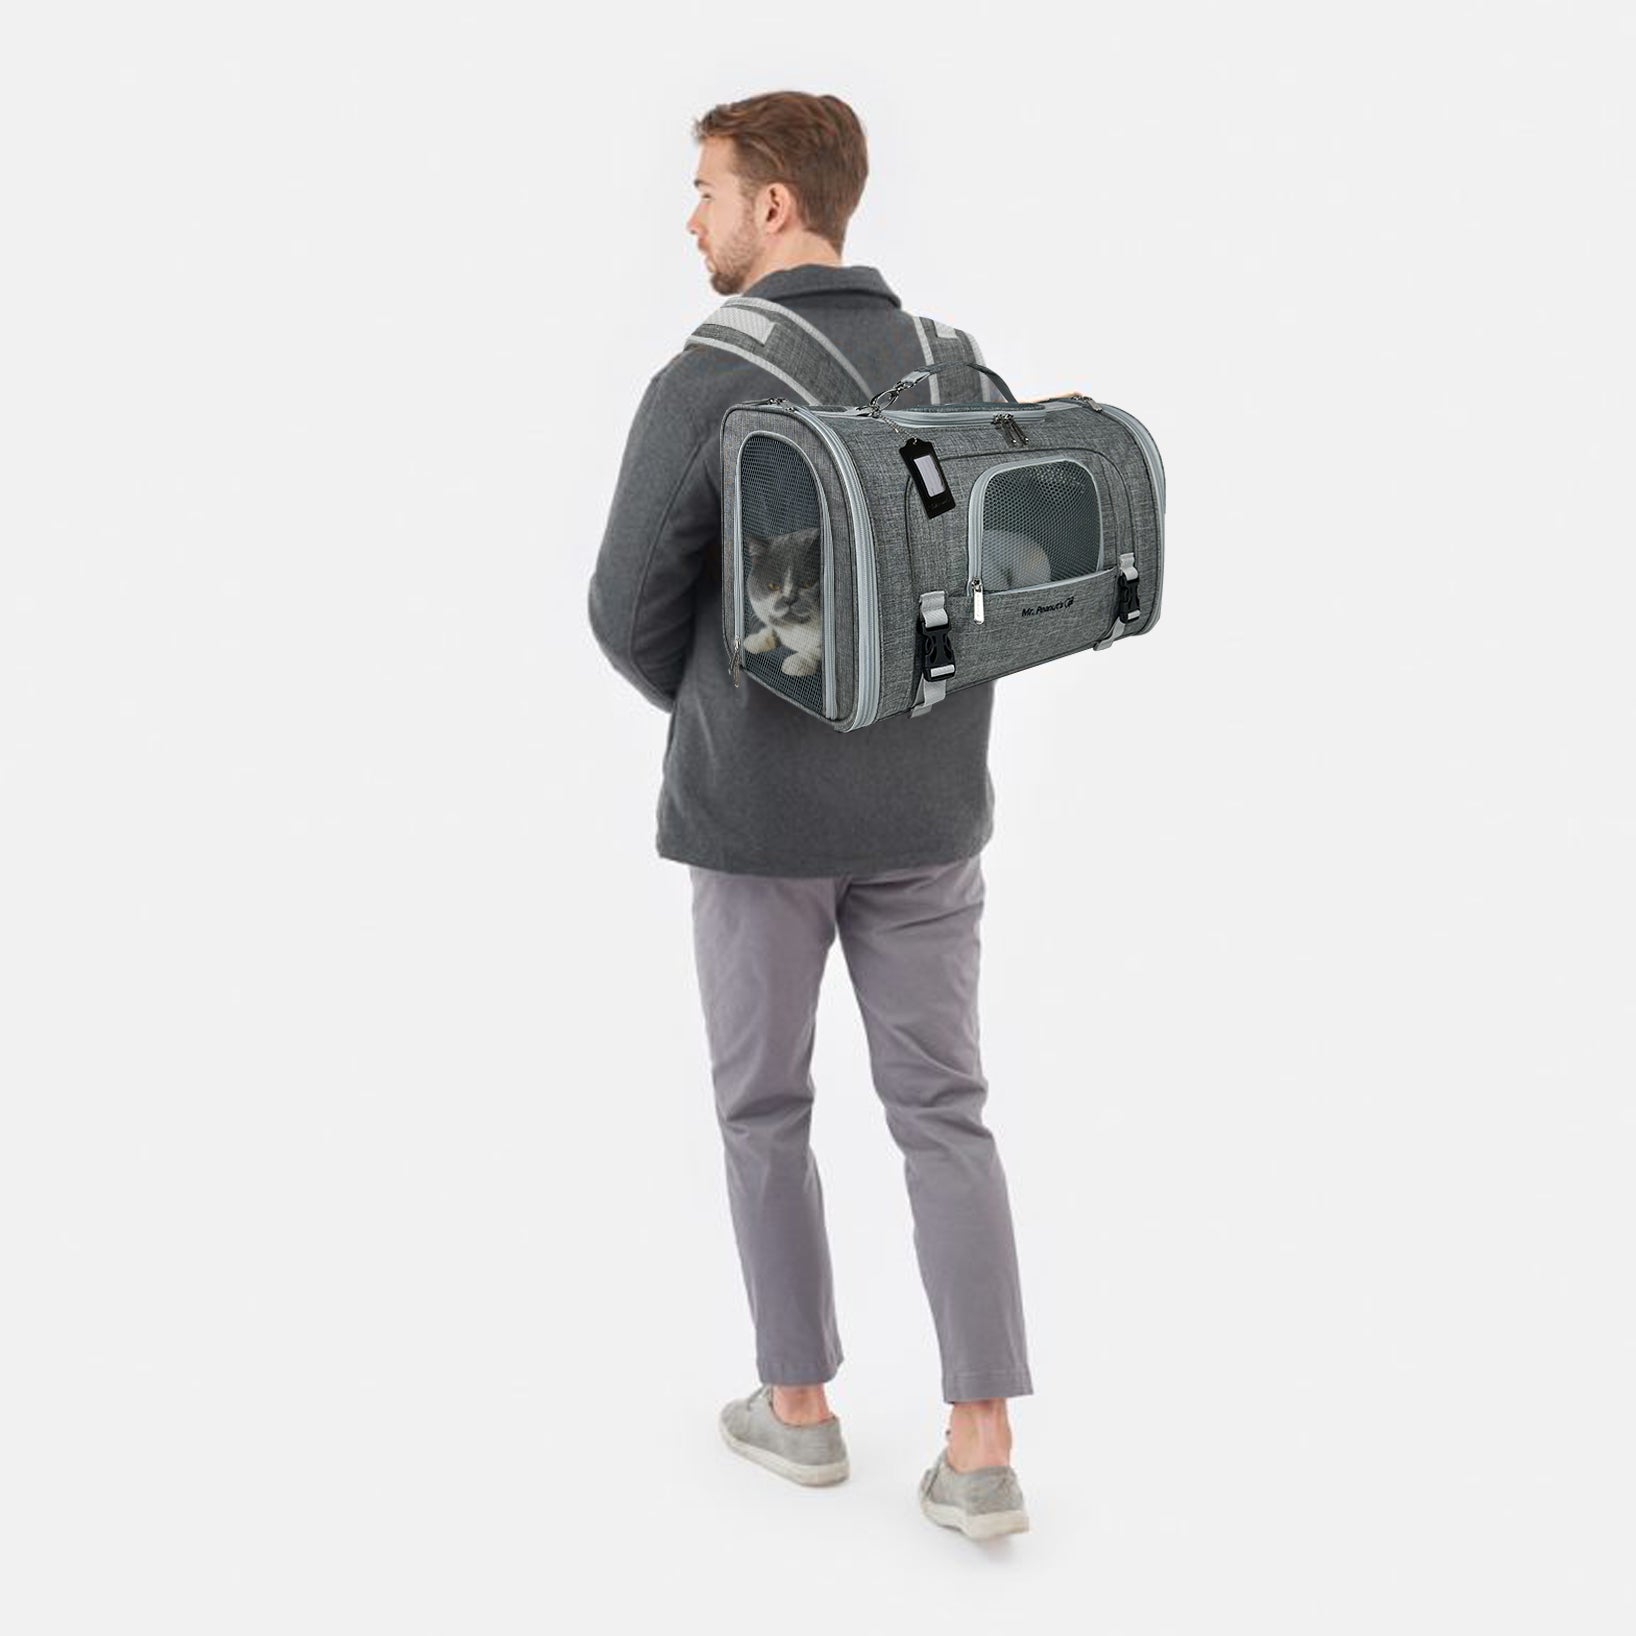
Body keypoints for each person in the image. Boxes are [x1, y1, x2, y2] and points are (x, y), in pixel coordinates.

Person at [586, 90, 1033, 1539]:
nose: (692, 219)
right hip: (932, 813)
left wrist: (735, 704)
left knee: (765, 1109)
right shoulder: (955, 364)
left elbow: (622, 609)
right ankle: (981, 1450)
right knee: (946, 1112)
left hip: (757, 822)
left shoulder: (711, 377)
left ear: (774, 204)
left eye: (708, 191)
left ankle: (798, 1412)